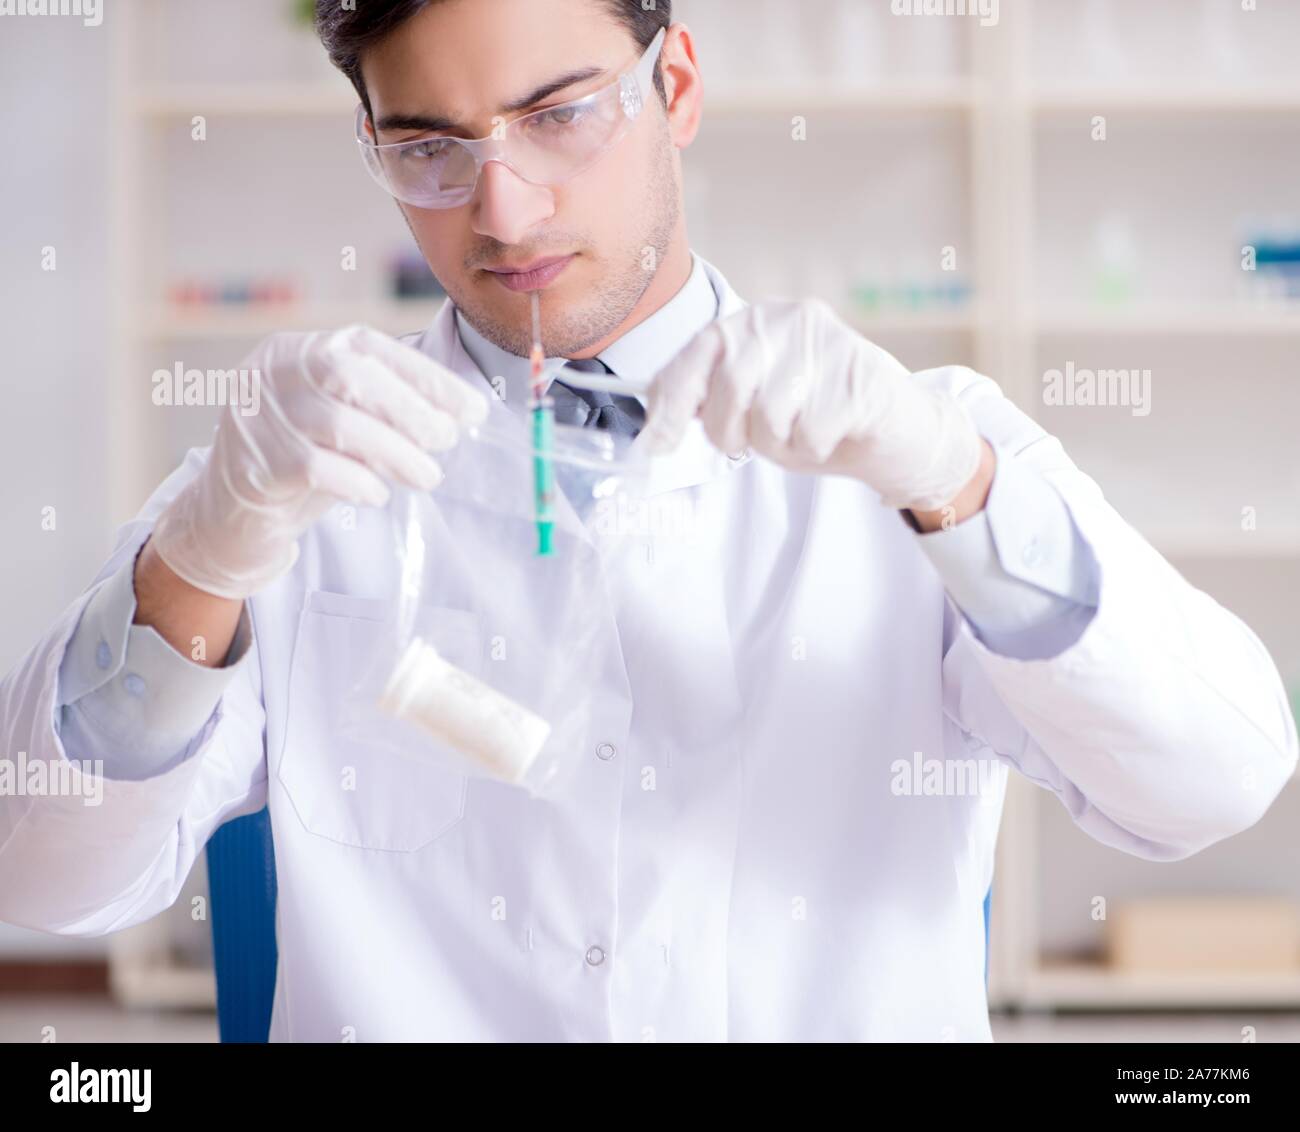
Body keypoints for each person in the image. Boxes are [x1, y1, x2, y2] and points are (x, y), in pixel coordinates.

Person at [0, 0, 1294, 1042]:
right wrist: (207, 555)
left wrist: (949, 482)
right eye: (430, 148)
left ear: (674, 86)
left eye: (559, 116)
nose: (501, 211)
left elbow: (1215, 781)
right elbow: (42, 875)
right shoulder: (286, 471)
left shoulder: (924, 445)